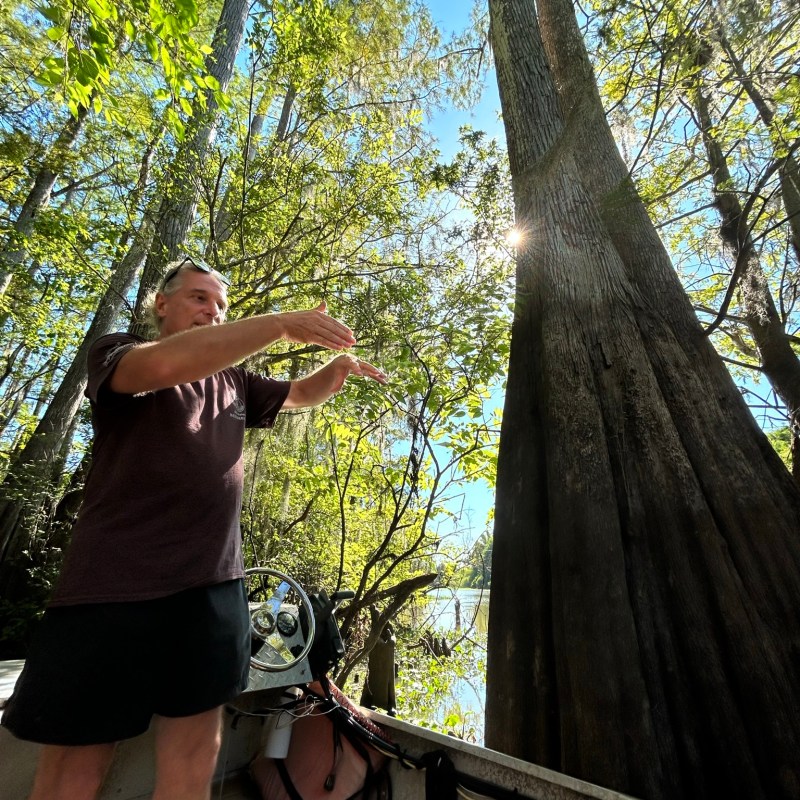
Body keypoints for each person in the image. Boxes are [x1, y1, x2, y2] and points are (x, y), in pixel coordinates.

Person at [1, 256, 387, 800]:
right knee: (74, 769)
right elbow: (165, 365)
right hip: (111, 588)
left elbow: (299, 394)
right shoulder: (116, 353)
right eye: (199, 298)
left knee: (194, 756)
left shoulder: (235, 381)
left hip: (212, 588)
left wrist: (336, 369)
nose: (213, 311)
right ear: (161, 304)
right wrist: (279, 324)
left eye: (221, 304)